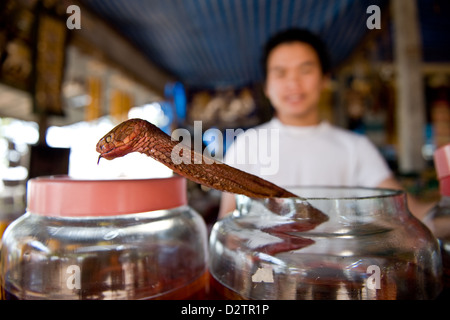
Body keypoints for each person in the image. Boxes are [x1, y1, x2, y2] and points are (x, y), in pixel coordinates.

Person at [218, 28, 434, 219]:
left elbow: (409, 212)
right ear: (266, 87)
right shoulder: (246, 145)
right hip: (264, 267)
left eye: (305, 70)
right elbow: (227, 223)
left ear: (324, 79)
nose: (293, 83)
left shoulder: (355, 148)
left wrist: (440, 213)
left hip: (339, 265)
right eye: (281, 73)